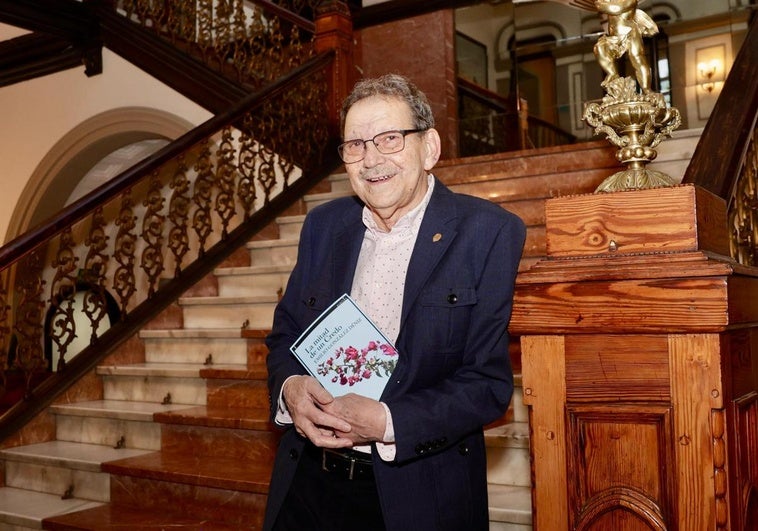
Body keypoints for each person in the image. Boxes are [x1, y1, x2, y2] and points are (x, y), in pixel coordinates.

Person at [263, 73, 526, 531]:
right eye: (355, 145)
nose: (371, 159)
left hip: (418, 495)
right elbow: (286, 334)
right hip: (309, 484)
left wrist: (386, 421)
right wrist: (290, 390)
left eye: (389, 139)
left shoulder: (488, 231)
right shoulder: (323, 226)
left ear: (429, 148)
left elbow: (486, 386)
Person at [593, 0, 659, 93]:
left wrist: (601, 4)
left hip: (630, 33)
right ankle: (612, 73)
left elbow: (615, 9)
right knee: (599, 48)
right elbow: (603, 6)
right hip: (615, 37)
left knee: (638, 59)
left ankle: (647, 89)